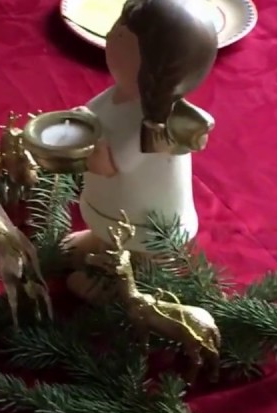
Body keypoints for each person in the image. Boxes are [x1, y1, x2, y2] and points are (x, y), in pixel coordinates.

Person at [60, 0, 219, 301]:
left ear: (153, 68)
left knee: (137, 245)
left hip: (142, 219)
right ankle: (100, 240)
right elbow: (95, 114)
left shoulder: (150, 127)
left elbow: (109, 164)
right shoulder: (119, 94)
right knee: (108, 222)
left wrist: (86, 146)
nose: (110, 36)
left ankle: (121, 280)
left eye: (121, 36)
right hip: (112, 203)